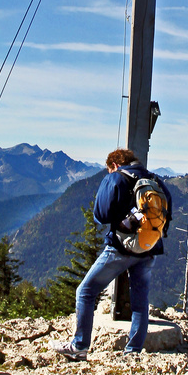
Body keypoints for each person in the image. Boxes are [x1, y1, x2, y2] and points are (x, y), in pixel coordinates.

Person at [58, 148, 168, 357]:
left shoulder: (116, 178)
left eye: (109, 169)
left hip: (120, 248)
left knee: (86, 291)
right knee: (140, 301)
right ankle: (133, 351)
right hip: (149, 247)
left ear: (115, 164)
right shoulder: (154, 180)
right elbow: (165, 213)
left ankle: (79, 346)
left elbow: (101, 214)